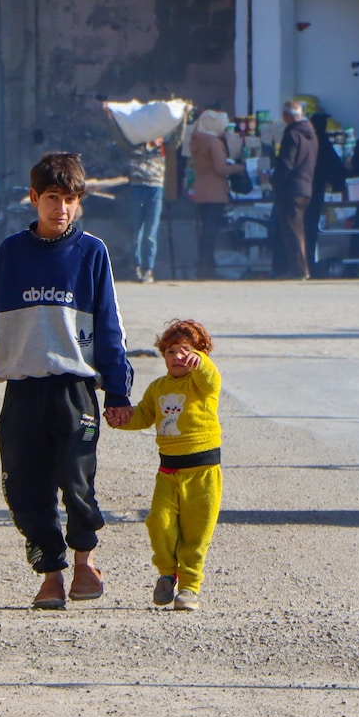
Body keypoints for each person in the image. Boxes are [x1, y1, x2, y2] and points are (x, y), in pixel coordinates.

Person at [0, 152, 133, 610]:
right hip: (23, 390)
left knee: (76, 481)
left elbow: (110, 325)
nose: (62, 209)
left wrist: (117, 389)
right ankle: (50, 574)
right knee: (23, 487)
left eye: (71, 199)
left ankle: (83, 563)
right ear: (34, 198)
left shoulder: (91, 252)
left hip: (74, 390)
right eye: (53, 198)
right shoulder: (12, 253)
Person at [111, 318, 223, 612]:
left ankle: (189, 587)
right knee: (159, 523)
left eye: (185, 351)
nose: (177, 357)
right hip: (168, 472)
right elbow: (144, 416)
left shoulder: (201, 383)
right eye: (171, 352)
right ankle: (166, 572)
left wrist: (200, 362)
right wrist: (121, 420)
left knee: (196, 534)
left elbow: (211, 379)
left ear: (200, 354)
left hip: (203, 473)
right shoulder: (158, 388)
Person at [188, 108, 242, 280]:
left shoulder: (196, 141)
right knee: (211, 230)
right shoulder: (214, 142)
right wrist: (239, 168)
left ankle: (204, 264)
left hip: (200, 190)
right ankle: (208, 266)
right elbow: (220, 168)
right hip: (215, 192)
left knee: (205, 230)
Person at [270, 100, 317, 280]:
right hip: (306, 185)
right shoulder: (311, 133)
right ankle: (302, 268)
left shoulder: (292, 134)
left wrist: (275, 181)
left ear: (287, 116)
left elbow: (286, 163)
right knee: (299, 229)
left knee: (292, 231)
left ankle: (299, 269)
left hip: (291, 187)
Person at [122, 127, 168, 285]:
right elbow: (119, 136)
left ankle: (148, 269)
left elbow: (176, 137)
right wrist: (110, 116)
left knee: (150, 232)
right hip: (137, 188)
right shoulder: (134, 147)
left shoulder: (161, 149)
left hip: (155, 189)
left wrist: (184, 116)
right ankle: (136, 266)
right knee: (136, 231)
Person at [304, 110, 347, 274]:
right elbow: (337, 168)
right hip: (316, 191)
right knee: (310, 230)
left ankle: (306, 264)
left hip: (304, 188)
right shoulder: (323, 143)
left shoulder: (307, 140)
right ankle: (309, 264)